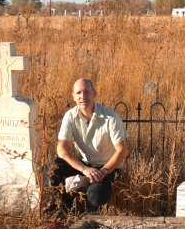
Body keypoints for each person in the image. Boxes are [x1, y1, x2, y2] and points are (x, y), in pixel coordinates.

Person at [51, 78, 129, 211]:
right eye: (79, 93)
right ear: (73, 96)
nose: (83, 96)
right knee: (55, 169)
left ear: (94, 94)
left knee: (96, 197)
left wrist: (102, 172)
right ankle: (62, 212)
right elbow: (62, 149)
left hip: (105, 167)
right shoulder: (70, 116)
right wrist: (84, 170)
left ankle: (93, 208)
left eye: (87, 92)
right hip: (82, 165)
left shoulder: (111, 117)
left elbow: (122, 151)